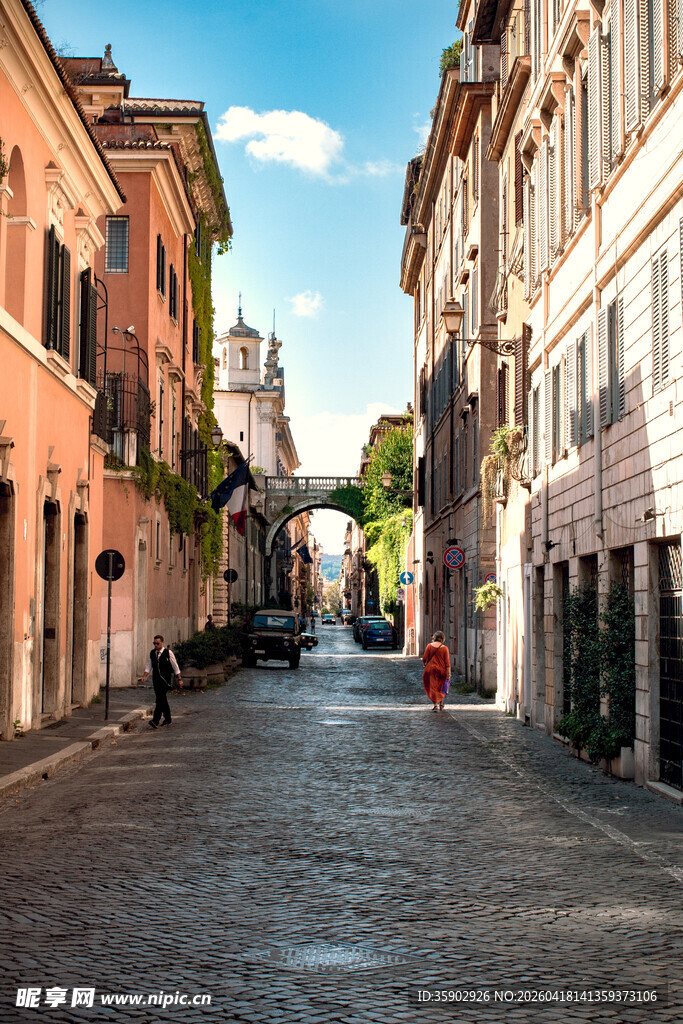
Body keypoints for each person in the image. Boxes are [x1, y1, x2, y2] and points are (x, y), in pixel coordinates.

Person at [141, 634, 183, 728]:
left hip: (165, 680)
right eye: (154, 643)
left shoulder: (168, 653)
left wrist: (179, 679)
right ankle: (168, 719)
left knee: (160, 699)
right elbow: (148, 666)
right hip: (156, 680)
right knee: (162, 699)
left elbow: (175, 667)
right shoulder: (152, 653)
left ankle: (155, 720)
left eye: (157, 643)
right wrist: (144, 676)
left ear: (162, 643)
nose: (155, 645)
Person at [422, 631, 450, 712]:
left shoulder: (429, 646)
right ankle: (441, 703)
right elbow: (447, 663)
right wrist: (449, 673)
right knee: (441, 686)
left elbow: (424, 658)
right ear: (443, 638)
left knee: (433, 687)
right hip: (442, 670)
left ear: (434, 637)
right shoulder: (445, 648)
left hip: (431, 670)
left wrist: (425, 664)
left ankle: (435, 705)